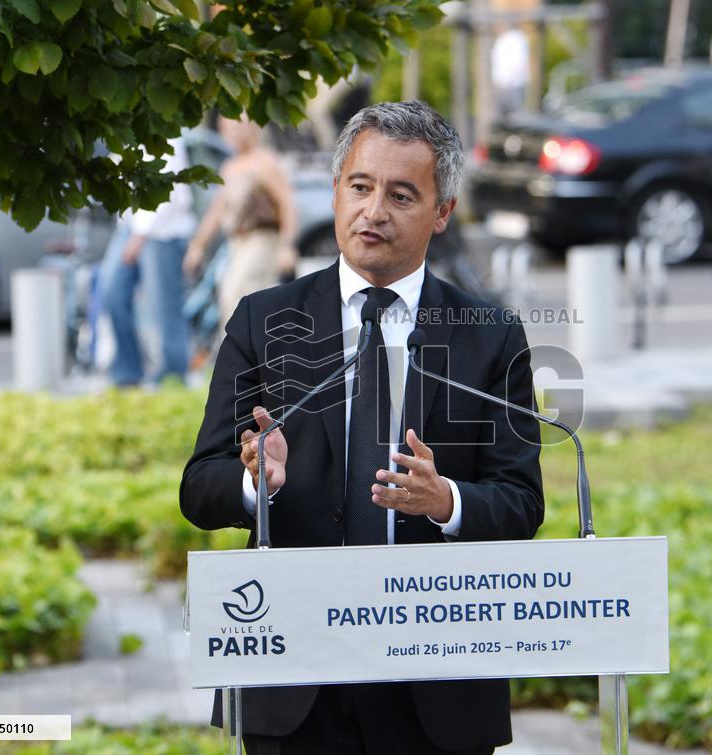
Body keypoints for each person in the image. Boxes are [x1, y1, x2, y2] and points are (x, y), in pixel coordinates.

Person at [180, 100, 543, 754]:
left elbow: (522, 501)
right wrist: (251, 482)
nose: (373, 210)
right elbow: (198, 488)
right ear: (337, 187)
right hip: (295, 676)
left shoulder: (491, 335)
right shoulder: (262, 321)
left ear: (442, 213)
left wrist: (448, 501)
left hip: (435, 684)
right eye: (360, 186)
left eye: (401, 195)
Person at [183, 116, 297, 331]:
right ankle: (242, 357)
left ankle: (249, 357)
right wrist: (197, 245)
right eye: (229, 128)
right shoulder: (230, 166)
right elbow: (216, 212)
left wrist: (287, 246)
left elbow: (287, 205)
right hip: (237, 244)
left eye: (239, 126)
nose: (235, 132)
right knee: (232, 298)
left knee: (239, 295)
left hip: (262, 241)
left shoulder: (265, 162)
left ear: (252, 128)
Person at [99, 137, 196, 386]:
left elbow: (168, 187)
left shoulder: (167, 130)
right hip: (129, 227)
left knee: (165, 306)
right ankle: (127, 371)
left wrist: (140, 235)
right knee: (112, 292)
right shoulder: (121, 130)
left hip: (162, 230)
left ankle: (173, 375)